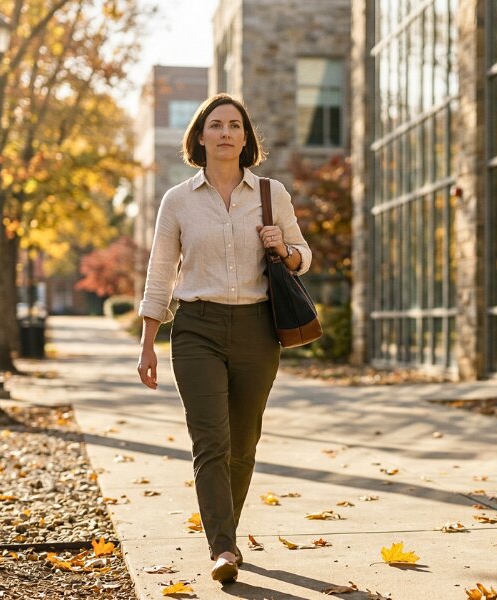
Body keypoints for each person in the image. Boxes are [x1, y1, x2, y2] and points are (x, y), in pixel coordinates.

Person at [135, 93, 312, 584]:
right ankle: (223, 546)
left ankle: (224, 531)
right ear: (200, 136)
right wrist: (147, 341)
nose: (227, 132)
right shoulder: (177, 200)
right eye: (216, 125)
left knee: (244, 441)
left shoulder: (271, 194)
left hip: (258, 329)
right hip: (197, 329)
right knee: (210, 439)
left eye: (235, 125)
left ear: (246, 137)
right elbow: (160, 274)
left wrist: (285, 249)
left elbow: (303, 254)